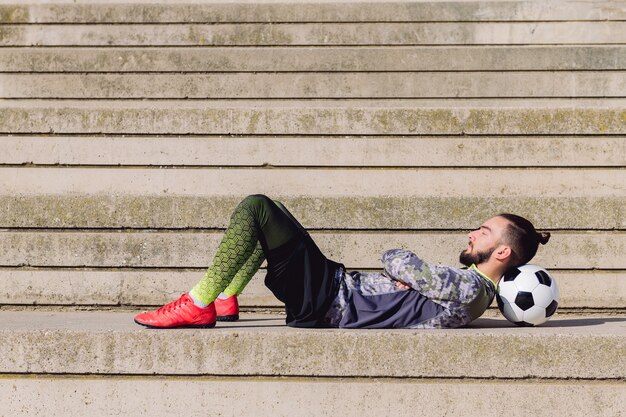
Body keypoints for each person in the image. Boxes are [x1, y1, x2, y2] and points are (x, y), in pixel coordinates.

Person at [134, 194, 550, 329]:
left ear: (502, 253)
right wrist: (418, 280)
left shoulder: (470, 288)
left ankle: (199, 302)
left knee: (257, 208)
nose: (472, 233)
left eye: (484, 232)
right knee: (271, 216)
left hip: (331, 297)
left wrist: (404, 266)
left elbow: (399, 260)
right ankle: (225, 297)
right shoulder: (468, 289)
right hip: (333, 291)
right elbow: (416, 283)